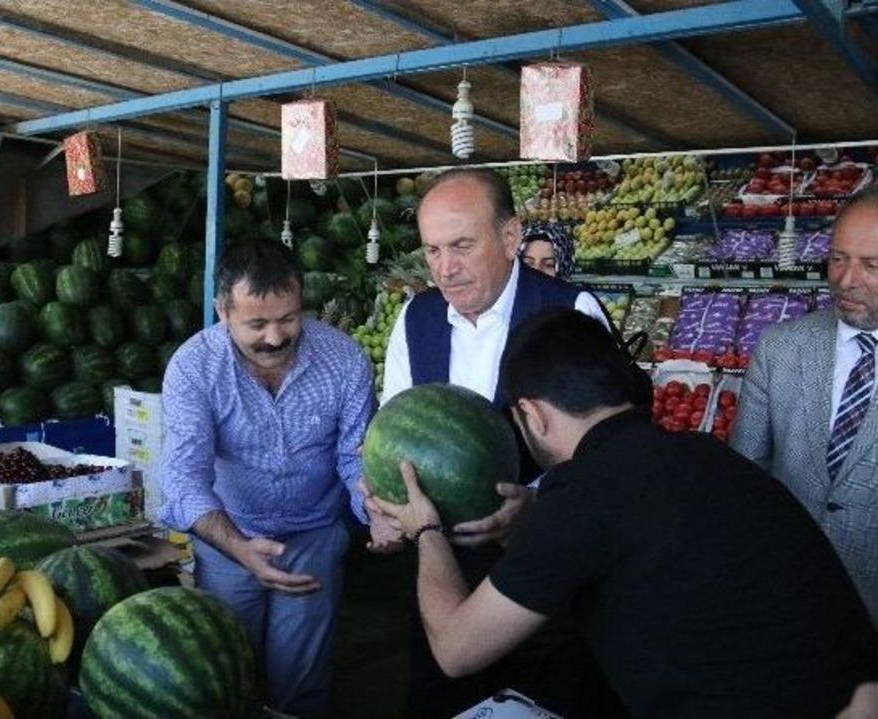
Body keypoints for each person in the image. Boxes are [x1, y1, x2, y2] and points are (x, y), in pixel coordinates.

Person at [366, 309, 878, 719]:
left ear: (533, 415)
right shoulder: (703, 453)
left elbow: (457, 651)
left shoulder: (585, 496)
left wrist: (426, 529)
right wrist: (535, 521)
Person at [377, 168, 622, 718]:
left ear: (510, 237)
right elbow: (393, 435)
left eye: (462, 245)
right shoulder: (415, 319)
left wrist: (536, 506)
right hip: (443, 568)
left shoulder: (571, 313)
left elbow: (610, 454)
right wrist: (382, 502)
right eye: (432, 250)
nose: (445, 268)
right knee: (440, 694)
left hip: (544, 573)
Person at [157, 240, 400, 717]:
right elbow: (184, 477)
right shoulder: (193, 368)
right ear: (222, 311)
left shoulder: (344, 359)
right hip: (230, 535)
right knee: (231, 673)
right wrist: (237, 546)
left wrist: (375, 509)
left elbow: (355, 460)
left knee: (300, 681)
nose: (275, 337)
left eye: (288, 319)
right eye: (256, 324)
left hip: (312, 535)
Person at [731, 186, 878, 627]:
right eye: (837, 259)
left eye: (871, 265)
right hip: (785, 602)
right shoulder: (782, 348)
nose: (847, 279)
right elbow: (746, 477)